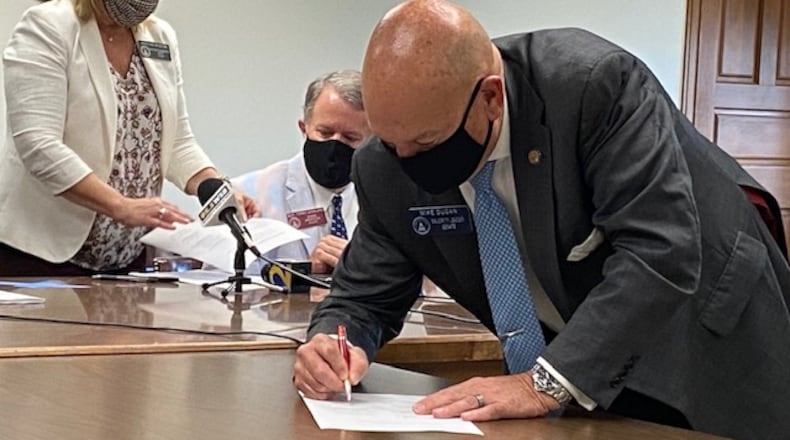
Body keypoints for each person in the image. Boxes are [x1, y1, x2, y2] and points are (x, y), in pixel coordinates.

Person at [292, 1, 790, 439]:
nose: (406, 161)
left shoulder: (593, 86)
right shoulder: (383, 165)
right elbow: (365, 295)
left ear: (491, 97)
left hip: (710, 331)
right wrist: (333, 342)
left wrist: (543, 383)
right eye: (389, 141)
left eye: (426, 142)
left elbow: (659, 249)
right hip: (585, 368)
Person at [0, 0, 257, 276]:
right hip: (42, 255)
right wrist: (119, 206)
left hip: (127, 258)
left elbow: (177, 141)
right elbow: (39, 144)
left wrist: (217, 189)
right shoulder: (48, 26)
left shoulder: (159, 37)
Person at [233, 70, 370, 274]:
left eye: (350, 138)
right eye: (325, 133)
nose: (335, 145)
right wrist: (303, 273)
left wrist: (363, 270)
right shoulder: (249, 194)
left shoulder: (385, 198)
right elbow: (224, 281)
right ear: (303, 128)